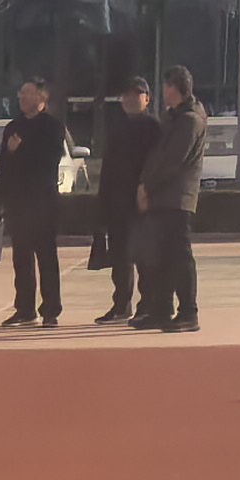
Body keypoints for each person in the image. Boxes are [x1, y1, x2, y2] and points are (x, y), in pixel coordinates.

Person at [0, 77, 72, 326]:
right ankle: (25, 309)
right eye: (20, 93)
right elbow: (4, 164)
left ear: (42, 97)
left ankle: (51, 310)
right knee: (21, 257)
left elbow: (49, 162)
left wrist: (21, 150)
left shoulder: (53, 127)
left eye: (27, 93)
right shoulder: (13, 127)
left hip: (43, 202)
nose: (21, 97)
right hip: (17, 202)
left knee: (46, 257)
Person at [133, 66, 207, 333]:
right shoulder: (172, 117)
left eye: (166, 86)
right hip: (162, 196)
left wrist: (148, 186)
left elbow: (173, 161)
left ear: (176, 88)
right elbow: (156, 156)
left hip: (177, 198)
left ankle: (188, 312)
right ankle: (161, 310)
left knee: (179, 255)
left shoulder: (190, 120)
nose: (163, 91)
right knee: (161, 256)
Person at [88, 76, 152, 326]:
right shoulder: (117, 127)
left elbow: (156, 165)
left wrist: (146, 190)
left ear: (147, 98)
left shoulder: (153, 128)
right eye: (126, 95)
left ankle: (147, 305)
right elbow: (108, 168)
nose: (130, 99)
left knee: (144, 258)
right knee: (119, 257)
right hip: (117, 203)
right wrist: (103, 202)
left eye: (136, 94)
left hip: (142, 202)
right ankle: (121, 305)